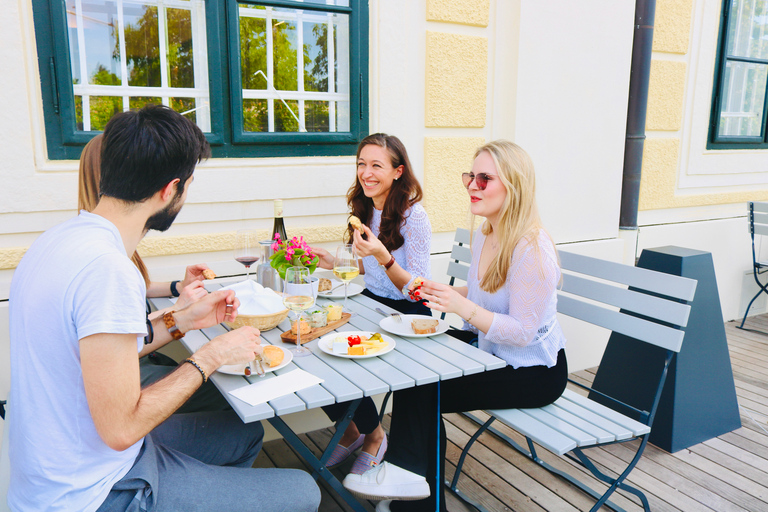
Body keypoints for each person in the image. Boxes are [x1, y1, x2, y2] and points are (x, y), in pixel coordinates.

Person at [8, 105, 321, 512]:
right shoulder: (109, 270)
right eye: (188, 185)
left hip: (58, 465)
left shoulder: (59, 240)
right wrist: (211, 356)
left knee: (241, 433)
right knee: (304, 491)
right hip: (94, 492)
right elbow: (121, 428)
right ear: (170, 189)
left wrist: (185, 319)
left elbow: (100, 354)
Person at [341, 140, 569, 512]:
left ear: (514, 185)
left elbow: (523, 332)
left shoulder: (533, 250)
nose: (472, 185)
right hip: (490, 348)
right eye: (470, 176)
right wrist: (444, 291)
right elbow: (485, 292)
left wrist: (461, 305)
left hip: (533, 371)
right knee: (419, 368)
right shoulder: (488, 232)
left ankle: (406, 480)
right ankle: (412, 487)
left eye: (485, 178)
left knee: (423, 385)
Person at [78, 133, 228, 413]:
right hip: (124, 376)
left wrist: (177, 287)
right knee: (225, 393)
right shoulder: (105, 260)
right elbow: (125, 340)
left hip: (128, 365)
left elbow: (138, 292)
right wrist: (178, 314)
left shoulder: (95, 236)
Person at [312, 133, 432, 477]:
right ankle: (353, 431)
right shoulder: (367, 207)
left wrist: (381, 253)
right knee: (320, 349)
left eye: (376, 165)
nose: (366, 172)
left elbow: (417, 289)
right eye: (361, 164)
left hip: (407, 315)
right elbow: (369, 265)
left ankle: (375, 437)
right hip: (372, 303)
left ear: (398, 171)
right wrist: (333, 262)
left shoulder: (415, 216)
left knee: (343, 361)